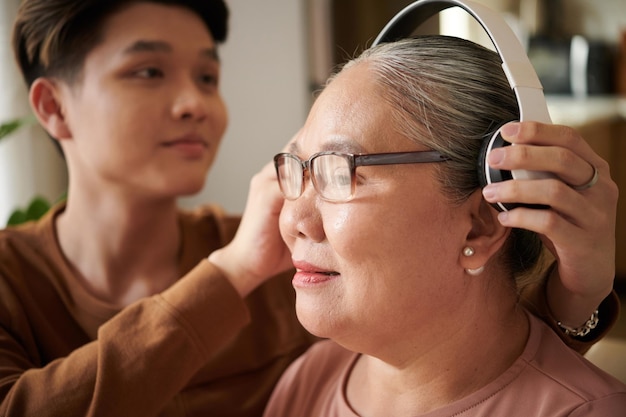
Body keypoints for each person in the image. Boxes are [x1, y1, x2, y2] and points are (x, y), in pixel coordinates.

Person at [0, 0, 619, 416]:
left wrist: (579, 295)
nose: (192, 102)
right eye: (148, 71)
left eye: (209, 76)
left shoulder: (301, 283)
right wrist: (233, 270)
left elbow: (466, 346)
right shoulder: (266, 267)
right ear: (52, 107)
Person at [263, 35, 626, 417]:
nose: (292, 221)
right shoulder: (309, 379)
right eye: (299, 170)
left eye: (339, 173)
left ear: (478, 228)